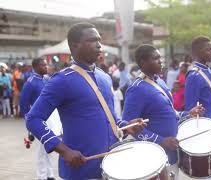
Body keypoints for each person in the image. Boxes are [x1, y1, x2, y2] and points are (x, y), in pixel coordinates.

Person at [25, 22, 145, 180]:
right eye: (93, 40)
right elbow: (33, 119)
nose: (99, 45)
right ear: (75, 46)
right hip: (80, 170)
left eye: (99, 40)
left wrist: (126, 126)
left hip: (112, 167)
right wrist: (64, 150)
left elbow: (111, 117)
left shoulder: (104, 77)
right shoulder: (61, 80)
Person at [122, 44, 205, 179]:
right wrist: (161, 140)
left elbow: (168, 112)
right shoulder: (137, 88)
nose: (161, 61)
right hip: (153, 158)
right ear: (143, 62)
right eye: (156, 58)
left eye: (160, 58)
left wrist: (188, 113)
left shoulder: (159, 81)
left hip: (171, 153)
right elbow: (129, 127)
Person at [20, 58, 56, 180]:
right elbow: (23, 104)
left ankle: (50, 174)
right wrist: (29, 124)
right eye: (43, 65)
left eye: (46, 65)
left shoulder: (47, 79)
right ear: (35, 66)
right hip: (37, 119)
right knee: (41, 150)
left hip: (50, 118)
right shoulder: (30, 83)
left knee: (51, 146)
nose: (46, 67)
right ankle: (41, 176)